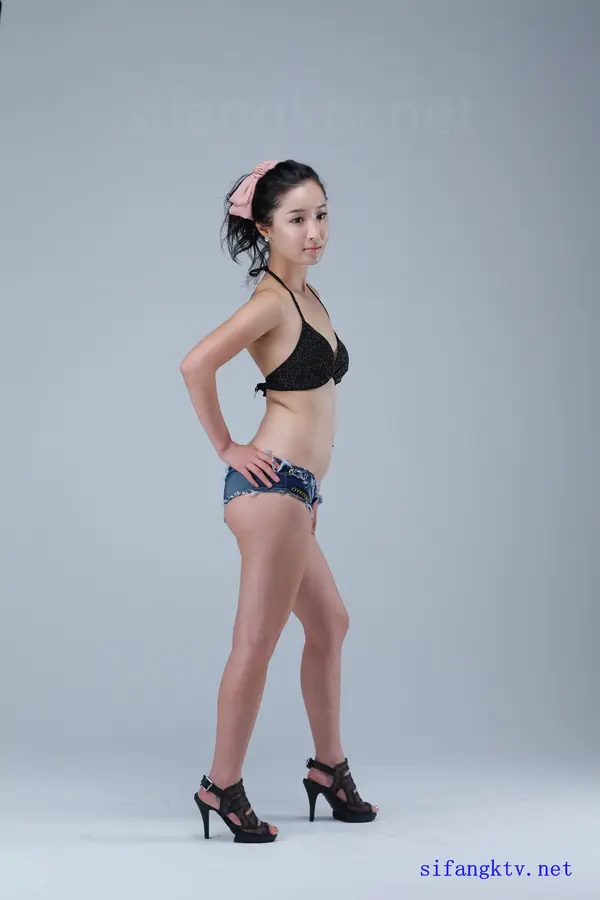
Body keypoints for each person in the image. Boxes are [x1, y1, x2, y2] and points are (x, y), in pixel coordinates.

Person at [180, 159, 378, 844]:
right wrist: (227, 446)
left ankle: (328, 769)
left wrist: (310, 496)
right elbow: (195, 364)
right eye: (297, 219)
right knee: (256, 643)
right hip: (271, 490)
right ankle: (221, 785)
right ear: (265, 227)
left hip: (296, 493)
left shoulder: (307, 294)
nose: (314, 230)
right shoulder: (271, 301)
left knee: (331, 625)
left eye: (321, 214)